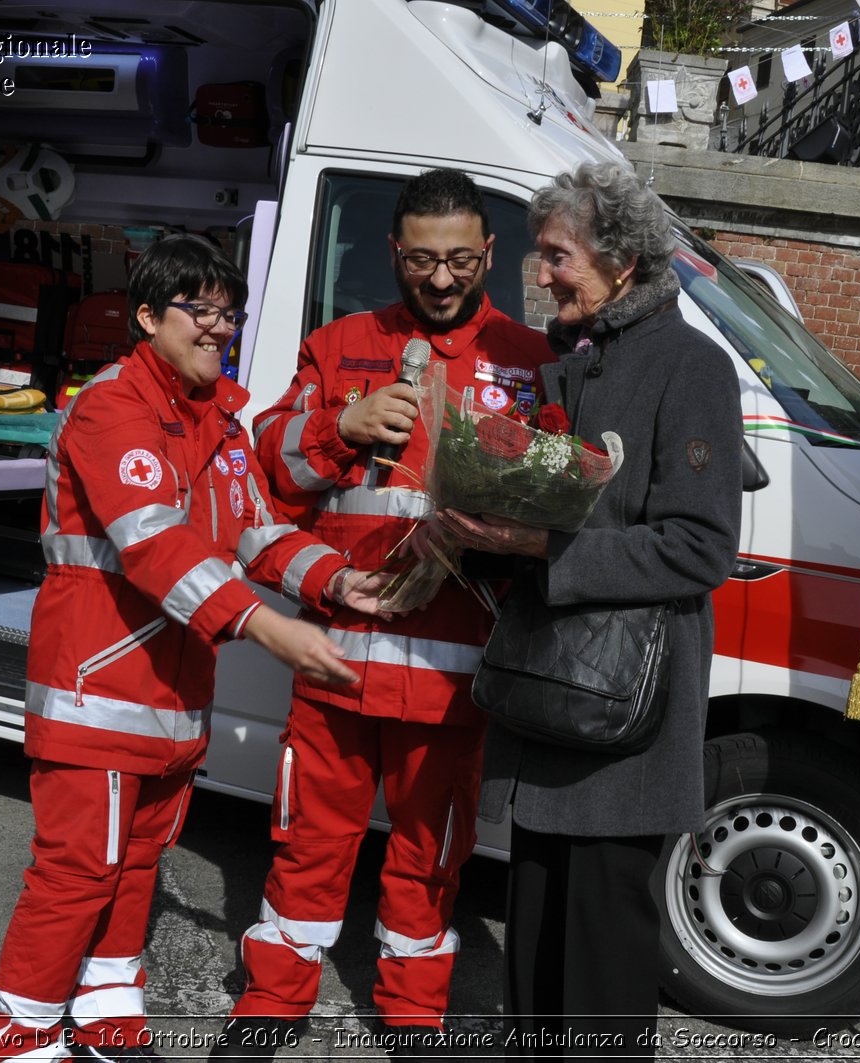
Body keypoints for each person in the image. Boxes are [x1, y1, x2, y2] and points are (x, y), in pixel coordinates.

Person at [0, 234, 390, 1063]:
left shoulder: (219, 418)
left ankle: (107, 1025)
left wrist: (336, 582)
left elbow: (257, 531)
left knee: (136, 868)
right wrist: (267, 626)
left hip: (170, 702)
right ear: (144, 317)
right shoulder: (111, 407)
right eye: (197, 309)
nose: (218, 326)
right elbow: (154, 542)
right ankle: (15, 1042)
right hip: (96, 690)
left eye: (227, 311)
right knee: (76, 875)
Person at [219, 169, 553, 1056]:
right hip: (335, 657)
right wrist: (344, 426)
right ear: (393, 253)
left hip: (451, 680)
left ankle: (412, 1021)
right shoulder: (337, 346)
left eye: (456, 261)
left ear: (489, 252)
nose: (438, 281)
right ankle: (271, 1005)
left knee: (430, 864)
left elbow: (560, 514)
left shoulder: (532, 359)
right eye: (418, 261)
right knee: (305, 848)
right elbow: (266, 484)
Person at [440, 162, 746, 1057]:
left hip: (623, 730)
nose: (539, 275)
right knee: (535, 974)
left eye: (556, 255)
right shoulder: (577, 363)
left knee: (601, 983)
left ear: (620, 260)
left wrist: (542, 548)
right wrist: (479, 530)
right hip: (553, 709)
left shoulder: (691, 366)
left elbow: (700, 546)